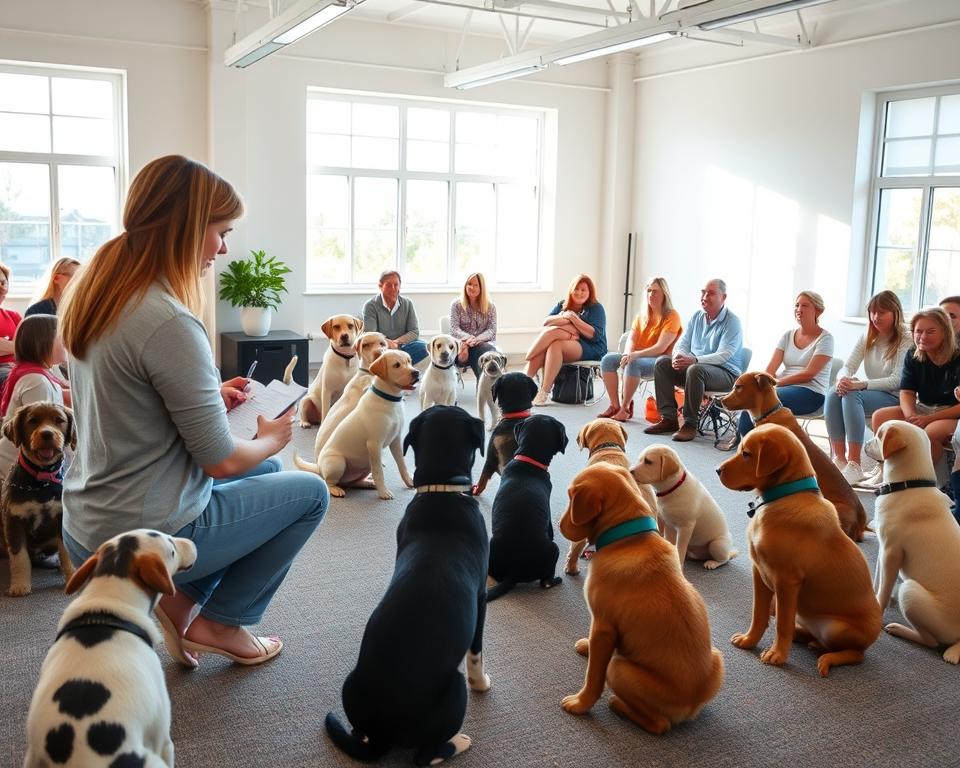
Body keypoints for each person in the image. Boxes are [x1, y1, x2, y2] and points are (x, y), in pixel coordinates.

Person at [59, 155, 328, 668]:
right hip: (142, 525)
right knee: (309, 491)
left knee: (268, 473)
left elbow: (130, 395)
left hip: (87, 517)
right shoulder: (168, 321)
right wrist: (274, 436)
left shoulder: (97, 292)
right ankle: (221, 622)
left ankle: (177, 597)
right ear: (184, 229)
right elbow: (220, 461)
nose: (223, 249)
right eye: (220, 232)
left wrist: (207, 390)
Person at [824, 290, 911, 484]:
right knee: (834, 393)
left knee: (851, 395)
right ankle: (840, 459)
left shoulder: (906, 336)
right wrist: (842, 379)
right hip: (875, 391)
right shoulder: (868, 336)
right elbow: (848, 365)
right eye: (872, 312)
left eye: (881, 312)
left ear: (895, 313)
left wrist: (860, 384)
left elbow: (897, 379)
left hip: (897, 395)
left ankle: (855, 464)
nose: (875, 317)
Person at [644, 278, 743, 443]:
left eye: (710, 293)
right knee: (662, 363)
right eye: (703, 292)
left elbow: (724, 355)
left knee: (695, 369)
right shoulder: (697, 317)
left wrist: (694, 360)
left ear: (723, 297)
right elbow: (682, 344)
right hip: (696, 371)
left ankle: (690, 424)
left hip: (725, 373)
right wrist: (678, 357)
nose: (704, 297)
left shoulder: (732, 322)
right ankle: (669, 419)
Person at [737, 290, 834, 436]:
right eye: (797, 305)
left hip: (811, 392)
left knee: (763, 400)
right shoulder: (788, 335)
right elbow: (770, 369)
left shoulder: (826, 339)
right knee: (752, 396)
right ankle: (746, 443)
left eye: (805, 306)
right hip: (783, 386)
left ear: (818, 311)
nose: (799, 310)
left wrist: (775, 383)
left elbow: (808, 374)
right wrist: (763, 382)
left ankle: (751, 446)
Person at [872, 307, 960, 468]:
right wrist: (911, 416)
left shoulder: (957, 356)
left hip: (952, 413)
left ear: (945, 332)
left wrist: (927, 419)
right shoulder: (913, 353)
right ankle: (889, 470)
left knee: (930, 433)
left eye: (930, 332)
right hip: (924, 408)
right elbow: (906, 392)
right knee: (880, 417)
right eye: (918, 331)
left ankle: (923, 480)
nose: (922, 337)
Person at [598, 277, 682, 422]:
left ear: (664, 294)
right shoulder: (642, 316)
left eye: (655, 291)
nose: (651, 294)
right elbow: (631, 339)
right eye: (649, 291)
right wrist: (627, 353)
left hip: (660, 360)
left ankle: (625, 409)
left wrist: (634, 355)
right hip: (638, 355)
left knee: (633, 363)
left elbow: (660, 347)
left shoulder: (672, 316)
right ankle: (615, 405)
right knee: (607, 360)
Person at [0, 314, 71, 477]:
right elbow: (42, 434)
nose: (67, 340)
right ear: (44, 343)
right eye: (62, 336)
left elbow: (66, 396)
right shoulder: (36, 381)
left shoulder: (41, 375)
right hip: (14, 472)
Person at [524, 273, 607, 407]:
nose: (579, 293)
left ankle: (544, 392)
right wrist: (566, 319)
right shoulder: (563, 304)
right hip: (571, 341)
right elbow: (546, 322)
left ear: (589, 292)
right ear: (571, 290)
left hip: (592, 347)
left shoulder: (596, 308)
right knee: (550, 340)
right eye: (576, 289)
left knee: (556, 344)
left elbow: (595, 335)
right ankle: (523, 384)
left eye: (583, 290)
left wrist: (574, 319)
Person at [361, 270, 427, 366]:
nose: (393, 289)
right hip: (382, 347)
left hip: (403, 346)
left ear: (400, 286)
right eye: (388, 285)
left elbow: (414, 332)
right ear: (380, 286)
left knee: (424, 347)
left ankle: (400, 367)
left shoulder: (407, 304)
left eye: (396, 285)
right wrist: (387, 343)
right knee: (376, 352)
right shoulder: (370, 306)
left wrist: (396, 343)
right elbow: (371, 334)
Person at [449, 272, 498, 379]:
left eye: (476, 285)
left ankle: (484, 385)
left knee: (485, 353)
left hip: (482, 344)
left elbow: (492, 330)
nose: (471, 287)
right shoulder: (456, 305)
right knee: (466, 353)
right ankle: (482, 385)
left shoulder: (490, 306)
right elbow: (454, 329)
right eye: (469, 284)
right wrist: (468, 339)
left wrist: (476, 340)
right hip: (463, 343)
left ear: (481, 287)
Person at [0, 262, 22, 394]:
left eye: (3, 283)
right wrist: (15, 346)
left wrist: (5, 345)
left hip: (20, 366)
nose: (1, 288)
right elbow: (22, 347)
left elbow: (29, 348)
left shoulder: (14, 316)